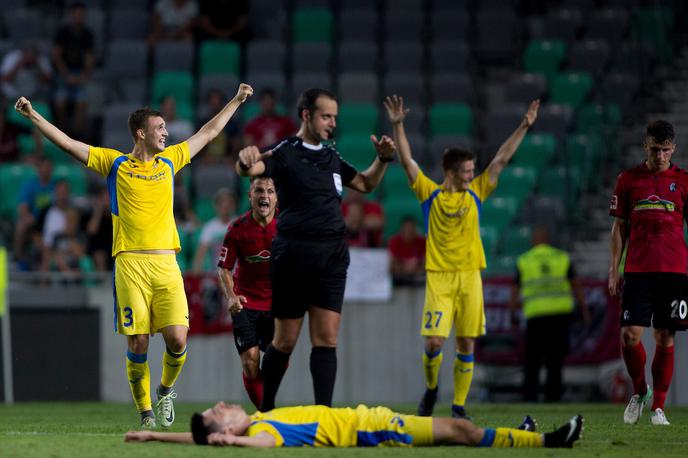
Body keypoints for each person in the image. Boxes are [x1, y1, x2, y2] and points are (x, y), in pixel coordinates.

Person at [14, 82, 254, 429]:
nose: (166, 133)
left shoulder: (170, 160)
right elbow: (69, 144)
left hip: (166, 263)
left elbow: (209, 130)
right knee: (138, 340)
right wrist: (34, 115)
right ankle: (145, 413)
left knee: (177, 338)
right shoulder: (115, 164)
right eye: (160, 128)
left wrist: (235, 100)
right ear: (141, 133)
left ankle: (165, 390)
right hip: (130, 263)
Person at [236, 88, 396, 411]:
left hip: (332, 258)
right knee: (284, 342)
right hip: (293, 257)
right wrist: (245, 160)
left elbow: (366, 184)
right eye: (326, 116)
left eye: (335, 117)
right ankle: (265, 411)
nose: (332, 123)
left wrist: (383, 159)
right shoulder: (285, 152)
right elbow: (250, 169)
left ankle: (324, 415)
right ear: (306, 115)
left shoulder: (331, 157)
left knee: (327, 340)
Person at [383, 95, 540, 419]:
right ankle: (430, 392)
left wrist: (524, 126)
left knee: (467, 344)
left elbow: (501, 159)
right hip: (439, 278)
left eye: (472, 170)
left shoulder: (477, 193)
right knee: (433, 346)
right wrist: (398, 126)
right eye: (466, 171)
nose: (472, 175)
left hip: (470, 276)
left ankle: (458, 407)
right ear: (450, 172)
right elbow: (408, 162)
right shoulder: (431, 195)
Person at [609, 120, 688, 426]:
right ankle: (640, 392)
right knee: (629, 336)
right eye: (655, 149)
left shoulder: (683, 180)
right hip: (638, 269)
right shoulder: (628, 179)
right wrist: (614, 269)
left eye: (666, 150)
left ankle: (658, 407)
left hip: (674, 269)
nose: (660, 156)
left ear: (674, 149)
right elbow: (619, 229)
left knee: (665, 337)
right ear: (646, 146)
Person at [124, 402, 583, 449]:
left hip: (373, 417)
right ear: (227, 432)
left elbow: (200, 439)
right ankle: (547, 441)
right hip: (379, 430)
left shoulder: (260, 420)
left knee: (458, 428)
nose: (223, 404)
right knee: (460, 432)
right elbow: (261, 446)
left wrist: (153, 433)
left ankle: (522, 432)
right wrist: (232, 441)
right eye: (218, 412)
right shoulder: (267, 433)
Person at [509, 226, 590, 403]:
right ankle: (553, 398)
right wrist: (584, 310)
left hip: (535, 316)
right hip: (560, 315)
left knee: (532, 361)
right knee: (555, 360)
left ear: (535, 240)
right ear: (548, 240)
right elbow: (576, 285)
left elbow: (515, 289)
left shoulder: (525, 259)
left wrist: (512, 312)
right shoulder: (562, 258)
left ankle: (530, 397)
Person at [217, 177, 277, 409]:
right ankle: (266, 412)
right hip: (246, 302)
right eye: (259, 190)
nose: (265, 196)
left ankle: (267, 405)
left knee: (275, 360)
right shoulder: (237, 229)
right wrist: (231, 296)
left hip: (276, 303)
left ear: (276, 197)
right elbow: (224, 268)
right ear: (250, 196)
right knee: (251, 362)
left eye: (270, 191)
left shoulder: (287, 225)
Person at [51, 1, 95, 137]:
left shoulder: (88, 34)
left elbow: (89, 58)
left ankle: (76, 137)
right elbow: (56, 56)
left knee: (82, 103)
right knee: (60, 102)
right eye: (76, 14)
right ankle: (62, 133)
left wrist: (84, 75)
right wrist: (66, 75)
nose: (79, 17)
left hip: (79, 75)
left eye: (81, 14)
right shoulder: (63, 32)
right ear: (72, 15)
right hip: (63, 74)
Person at [191, 188, 236, 273]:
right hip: (215, 275)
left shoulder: (240, 225)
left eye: (229, 202)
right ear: (216, 205)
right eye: (222, 202)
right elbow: (200, 254)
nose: (225, 205)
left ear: (234, 205)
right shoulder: (209, 227)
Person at [388, 215, 426, 286]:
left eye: (411, 229)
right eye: (407, 229)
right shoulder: (394, 241)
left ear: (415, 230)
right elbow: (392, 265)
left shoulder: (422, 242)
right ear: (401, 230)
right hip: (399, 278)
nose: (409, 232)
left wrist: (415, 270)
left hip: (418, 278)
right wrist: (404, 269)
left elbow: (425, 263)